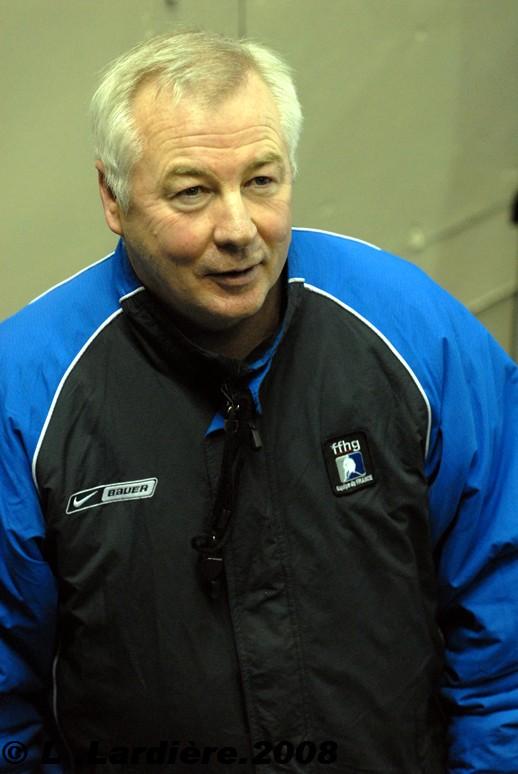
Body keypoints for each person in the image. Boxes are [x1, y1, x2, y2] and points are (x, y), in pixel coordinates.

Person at [0, 30, 517, 774]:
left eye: (263, 181)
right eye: (192, 192)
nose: (239, 229)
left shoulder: (415, 334)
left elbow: (504, 621)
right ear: (113, 198)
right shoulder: (30, 395)